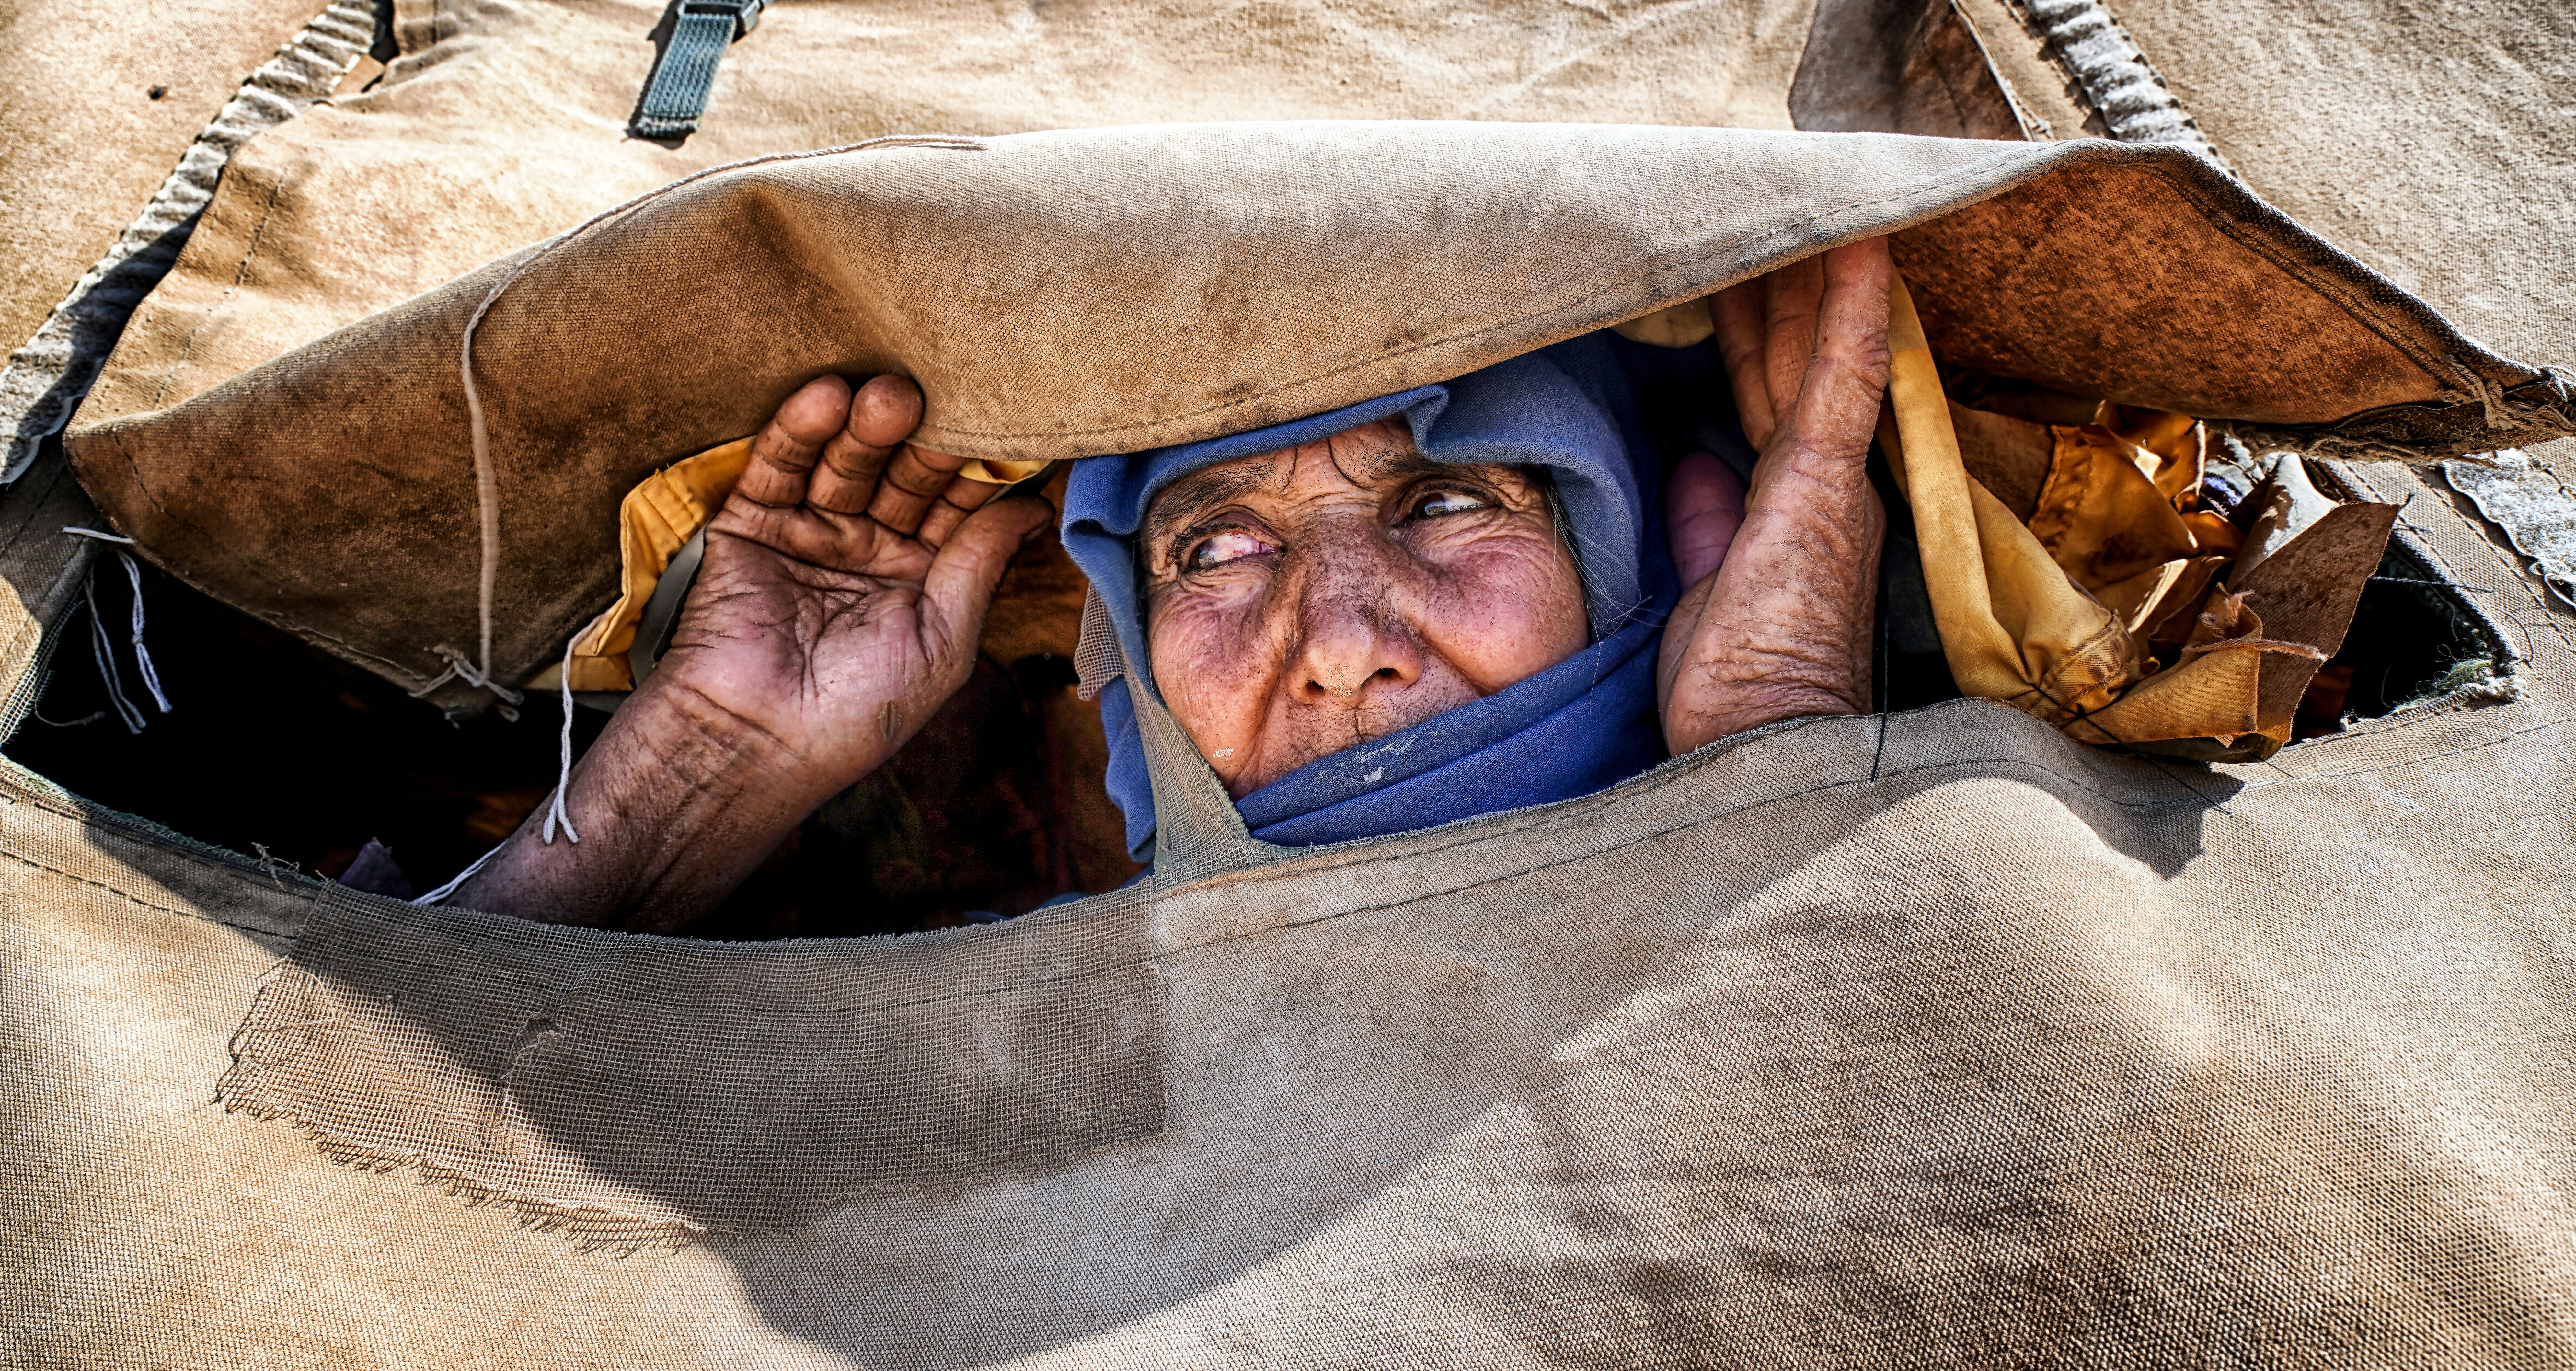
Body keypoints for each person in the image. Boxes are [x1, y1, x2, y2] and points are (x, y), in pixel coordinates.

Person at [448, 240, 1893, 931]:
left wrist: (1780, 760)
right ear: (1116, 656)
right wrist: (709, 767)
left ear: (1643, 554)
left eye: (1446, 500)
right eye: (1214, 546)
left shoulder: (1958, 850)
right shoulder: (968, 1071)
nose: (1338, 648)